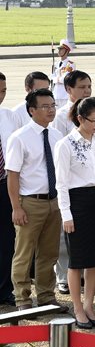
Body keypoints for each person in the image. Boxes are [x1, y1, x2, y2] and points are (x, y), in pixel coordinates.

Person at [54, 97, 95, 328]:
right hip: (77, 203)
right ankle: (77, 308)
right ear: (80, 118)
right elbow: (61, 184)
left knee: (94, 260)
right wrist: (66, 215)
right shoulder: (65, 144)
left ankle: (89, 306)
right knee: (77, 260)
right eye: (93, 120)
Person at [6, 88, 65, 311]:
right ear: (31, 110)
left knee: (49, 254)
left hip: (54, 202)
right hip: (30, 203)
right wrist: (16, 207)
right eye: (45, 106)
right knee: (24, 253)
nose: (51, 110)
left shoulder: (57, 135)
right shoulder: (20, 138)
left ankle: (46, 297)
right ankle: (22, 298)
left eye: (53, 106)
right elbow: (13, 175)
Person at [50, 70, 92, 295]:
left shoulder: (92, 110)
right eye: (82, 87)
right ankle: (63, 276)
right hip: (68, 182)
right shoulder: (60, 117)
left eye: (89, 86)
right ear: (68, 90)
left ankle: (83, 274)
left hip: (88, 184)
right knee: (65, 234)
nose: (87, 91)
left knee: (84, 233)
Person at [0, 72, 16, 305]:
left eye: (3, 91)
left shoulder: (8, 116)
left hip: (4, 185)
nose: (1, 96)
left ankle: (4, 290)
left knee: (6, 240)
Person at [51, 39, 75, 107]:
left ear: (67, 51)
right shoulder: (56, 63)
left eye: (61, 49)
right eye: (59, 49)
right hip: (56, 93)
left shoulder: (70, 64)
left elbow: (65, 79)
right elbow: (52, 77)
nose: (59, 51)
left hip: (64, 94)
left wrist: (55, 79)